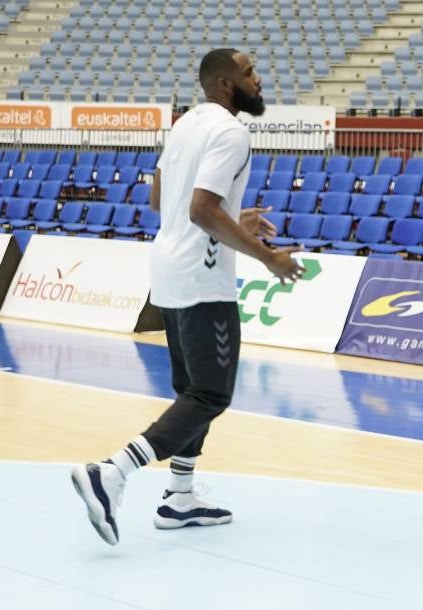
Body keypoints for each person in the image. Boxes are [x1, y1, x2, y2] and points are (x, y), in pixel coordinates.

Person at [70, 48, 302, 546]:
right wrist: (267, 256)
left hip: (168, 271)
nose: (258, 80)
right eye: (249, 73)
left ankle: (180, 497)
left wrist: (234, 223)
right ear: (224, 84)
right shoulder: (232, 132)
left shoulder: (184, 125)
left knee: (191, 390)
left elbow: (163, 202)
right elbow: (200, 210)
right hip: (202, 278)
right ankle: (111, 473)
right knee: (211, 393)